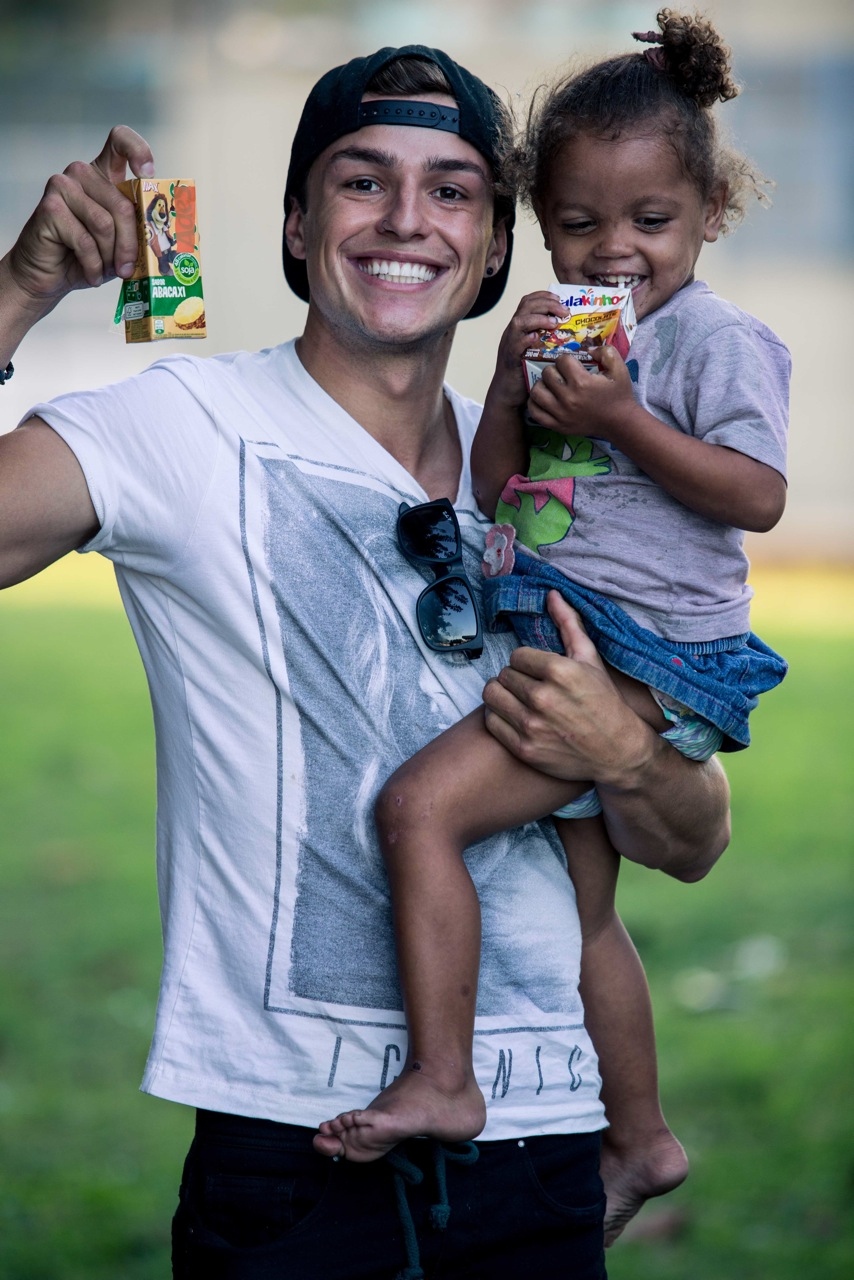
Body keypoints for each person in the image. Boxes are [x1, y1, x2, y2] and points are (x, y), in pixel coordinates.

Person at [0, 43, 731, 1279]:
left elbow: (691, 837)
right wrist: (19, 291)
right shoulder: (178, 426)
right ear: (295, 221)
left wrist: (620, 751)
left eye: (451, 189)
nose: (407, 220)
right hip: (295, 1159)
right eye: (360, 181)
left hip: (549, 1143)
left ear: (497, 248)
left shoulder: (565, 465)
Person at [316, 10, 789, 1245]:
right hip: (563, 629)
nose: (613, 250)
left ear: (707, 214)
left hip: (642, 655)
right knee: (584, 917)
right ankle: (640, 1136)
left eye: (650, 223)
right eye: (580, 223)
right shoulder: (561, 325)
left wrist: (625, 418)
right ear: (542, 224)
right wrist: (519, 379)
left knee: (420, 810)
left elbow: (756, 494)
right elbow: (489, 486)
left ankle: (443, 1079)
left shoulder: (715, 340)